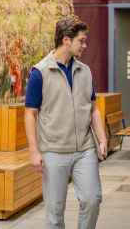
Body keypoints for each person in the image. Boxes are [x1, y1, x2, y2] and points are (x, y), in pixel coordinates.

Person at [24, 17, 108, 229]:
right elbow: (30, 114)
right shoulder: (40, 72)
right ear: (66, 40)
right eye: (81, 40)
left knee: (92, 199)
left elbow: (93, 108)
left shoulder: (85, 71)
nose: (85, 45)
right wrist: (34, 151)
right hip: (54, 150)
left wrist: (102, 138)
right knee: (54, 213)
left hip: (85, 149)